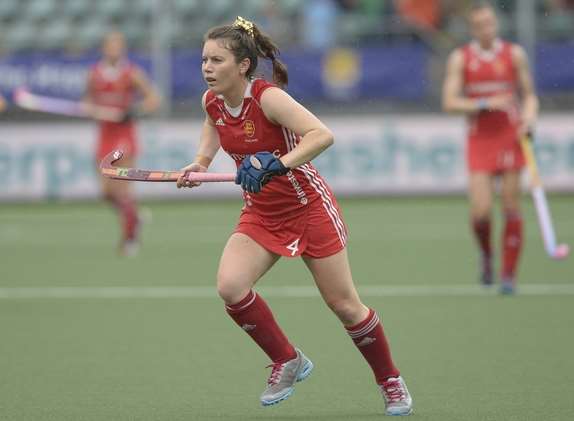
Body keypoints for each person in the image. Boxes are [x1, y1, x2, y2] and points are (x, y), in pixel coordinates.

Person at [176, 17, 413, 416]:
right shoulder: (211, 100)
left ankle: (389, 379)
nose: (207, 68)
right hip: (262, 212)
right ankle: (288, 359)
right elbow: (212, 126)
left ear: (243, 65)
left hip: (308, 207)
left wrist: (278, 165)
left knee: (344, 305)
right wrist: (200, 163)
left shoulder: (268, 98)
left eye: (217, 60)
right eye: (204, 60)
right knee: (231, 286)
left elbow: (322, 134)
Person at [442, 2, 539, 294]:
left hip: (510, 135)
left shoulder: (514, 54)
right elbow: (449, 102)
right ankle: (486, 255)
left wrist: (530, 119)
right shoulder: (462, 58)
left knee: (511, 205)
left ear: (496, 24)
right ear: (473, 29)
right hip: (480, 138)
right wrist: (484, 104)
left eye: (490, 23)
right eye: (481, 25)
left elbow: (530, 96)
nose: (487, 29)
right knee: (481, 212)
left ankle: (508, 275)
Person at [84, 31, 161, 256]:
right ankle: (134, 216)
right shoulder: (94, 74)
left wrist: (133, 111)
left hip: (123, 137)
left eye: (118, 46)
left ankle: (130, 238)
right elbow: (87, 100)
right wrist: (90, 109)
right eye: (110, 45)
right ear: (104, 48)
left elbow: (154, 99)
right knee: (105, 193)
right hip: (104, 136)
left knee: (121, 188)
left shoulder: (131, 73)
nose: (114, 50)